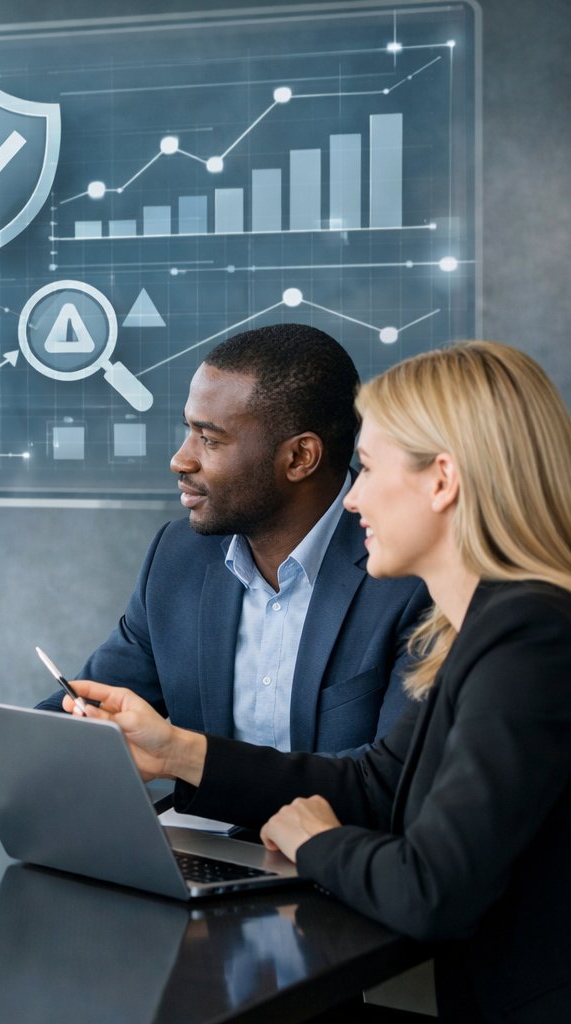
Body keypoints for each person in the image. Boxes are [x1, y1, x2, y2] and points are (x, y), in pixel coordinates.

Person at [62, 342, 571, 1021]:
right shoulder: (479, 629)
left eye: (365, 469)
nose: (352, 498)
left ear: (442, 480)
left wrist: (315, 841)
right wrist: (175, 752)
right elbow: (372, 785)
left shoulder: (530, 638)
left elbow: (433, 891)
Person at [38, 324, 428, 754]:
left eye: (209, 439)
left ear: (299, 457)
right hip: (192, 825)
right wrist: (11, 752)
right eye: (188, 431)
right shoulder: (177, 557)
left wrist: (187, 760)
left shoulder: (409, 571)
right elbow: (91, 708)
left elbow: (389, 781)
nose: (180, 459)